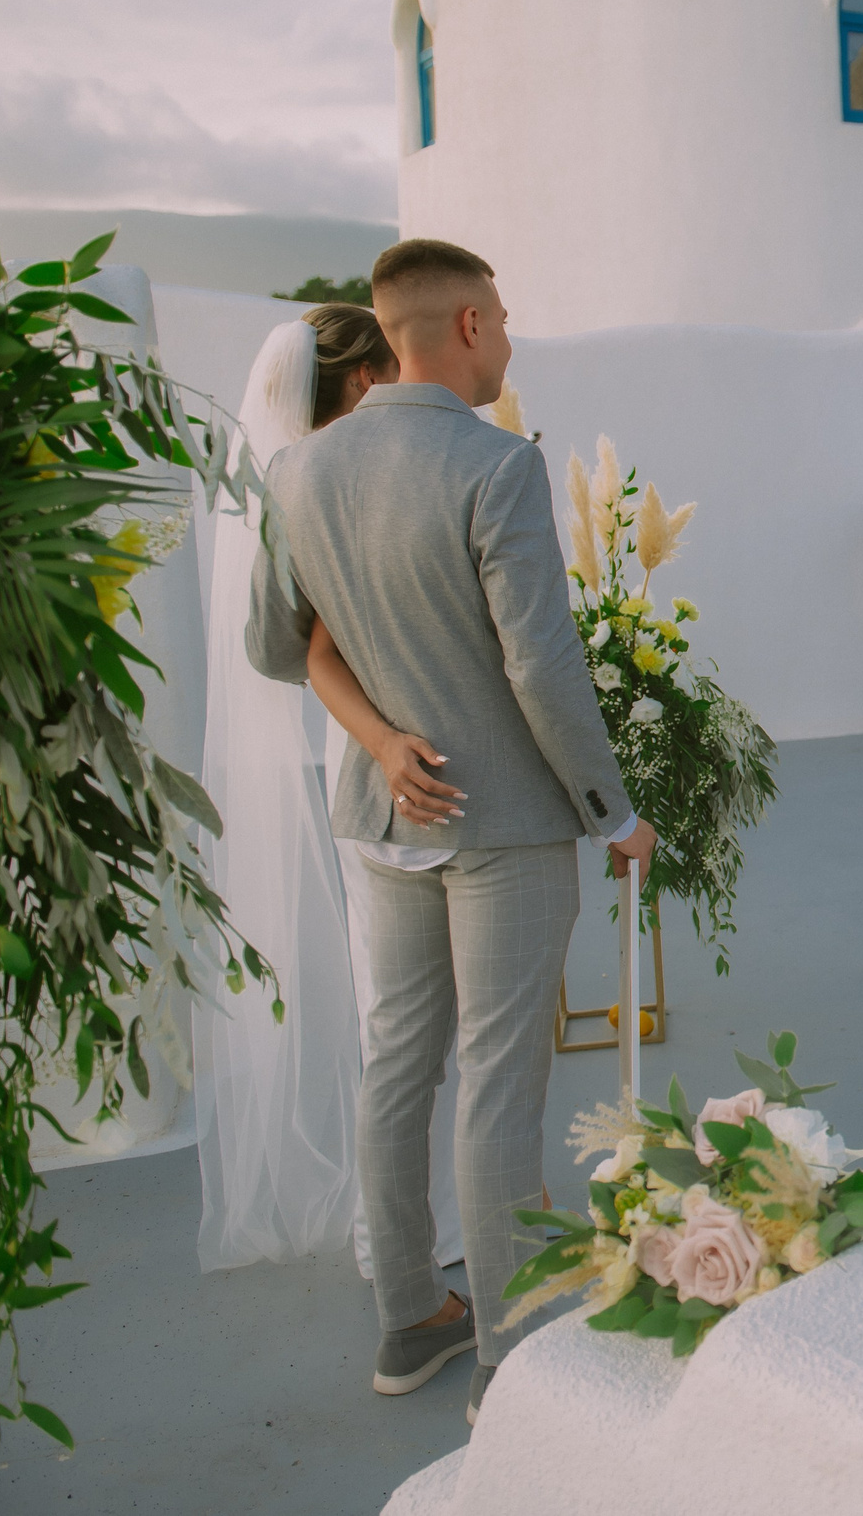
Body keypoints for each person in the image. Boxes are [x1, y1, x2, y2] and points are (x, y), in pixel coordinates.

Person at [247, 238, 658, 1425]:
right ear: (469, 323)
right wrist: (615, 810)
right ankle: (509, 1353)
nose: (510, 339)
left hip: (386, 812)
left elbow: (277, 646)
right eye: (505, 318)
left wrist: (384, 734)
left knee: (398, 1063)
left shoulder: (298, 470)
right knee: (497, 1078)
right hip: (504, 820)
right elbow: (542, 664)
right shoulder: (496, 463)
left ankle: (408, 1319)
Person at [195, 306, 378, 1271]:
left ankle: (389, 1210)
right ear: (361, 381)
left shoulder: (280, 480)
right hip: (388, 750)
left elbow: (272, 649)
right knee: (403, 1003)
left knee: (382, 993)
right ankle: (404, 1213)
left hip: (354, 746)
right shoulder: (343, 482)